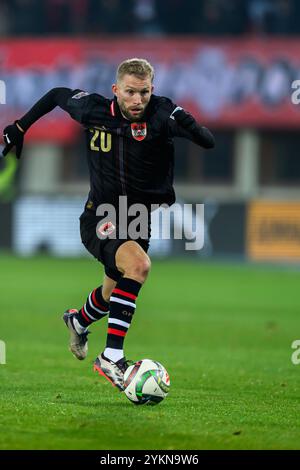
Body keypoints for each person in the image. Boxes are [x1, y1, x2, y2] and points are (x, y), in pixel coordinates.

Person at [2, 58, 215, 391]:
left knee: (111, 291)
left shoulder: (161, 114)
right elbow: (57, 94)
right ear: (116, 90)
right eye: (130, 92)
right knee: (139, 266)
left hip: (139, 218)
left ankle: (78, 320)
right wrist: (20, 125)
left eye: (144, 92)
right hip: (100, 216)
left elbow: (207, 141)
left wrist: (186, 121)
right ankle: (112, 357)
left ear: (152, 90)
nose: (137, 100)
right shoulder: (94, 110)